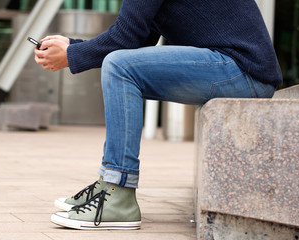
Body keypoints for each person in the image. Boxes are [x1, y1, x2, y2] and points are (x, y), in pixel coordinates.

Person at [34, 0, 282, 230]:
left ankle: (118, 192)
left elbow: (124, 40)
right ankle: (109, 184)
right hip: (238, 68)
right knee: (121, 65)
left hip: (242, 70)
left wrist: (71, 54)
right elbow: (137, 39)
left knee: (120, 67)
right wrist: (72, 48)